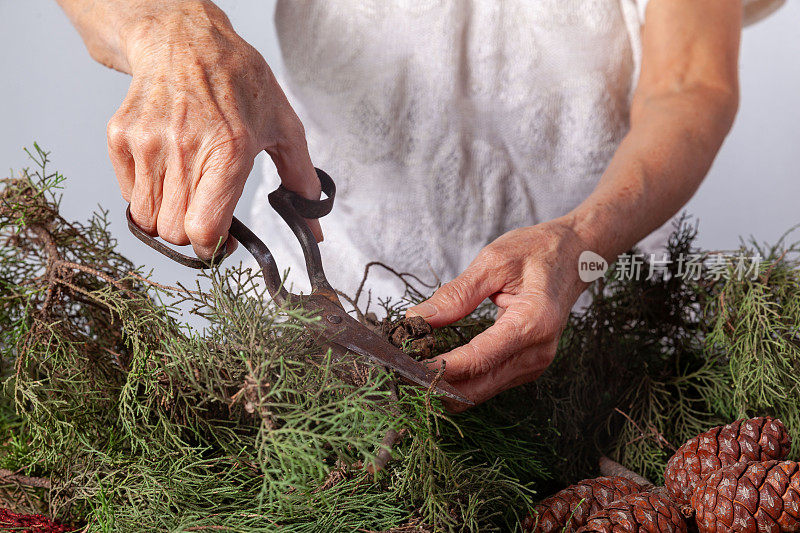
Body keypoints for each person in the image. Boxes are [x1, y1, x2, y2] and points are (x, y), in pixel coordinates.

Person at [56, 0, 782, 409]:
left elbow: (691, 87)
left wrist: (581, 239)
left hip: (584, 329)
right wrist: (175, 34)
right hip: (304, 338)